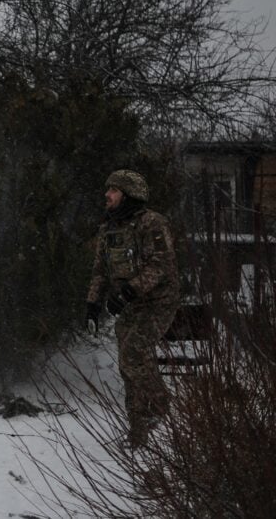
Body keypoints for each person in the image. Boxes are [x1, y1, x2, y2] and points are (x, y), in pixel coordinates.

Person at [85, 170, 181, 448]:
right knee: (128, 367)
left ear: (128, 195)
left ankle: (161, 404)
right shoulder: (108, 229)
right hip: (131, 304)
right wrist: (92, 304)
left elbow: (161, 265)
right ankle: (137, 433)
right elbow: (100, 272)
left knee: (134, 353)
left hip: (158, 301)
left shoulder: (152, 223)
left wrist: (129, 290)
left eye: (113, 190)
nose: (107, 195)